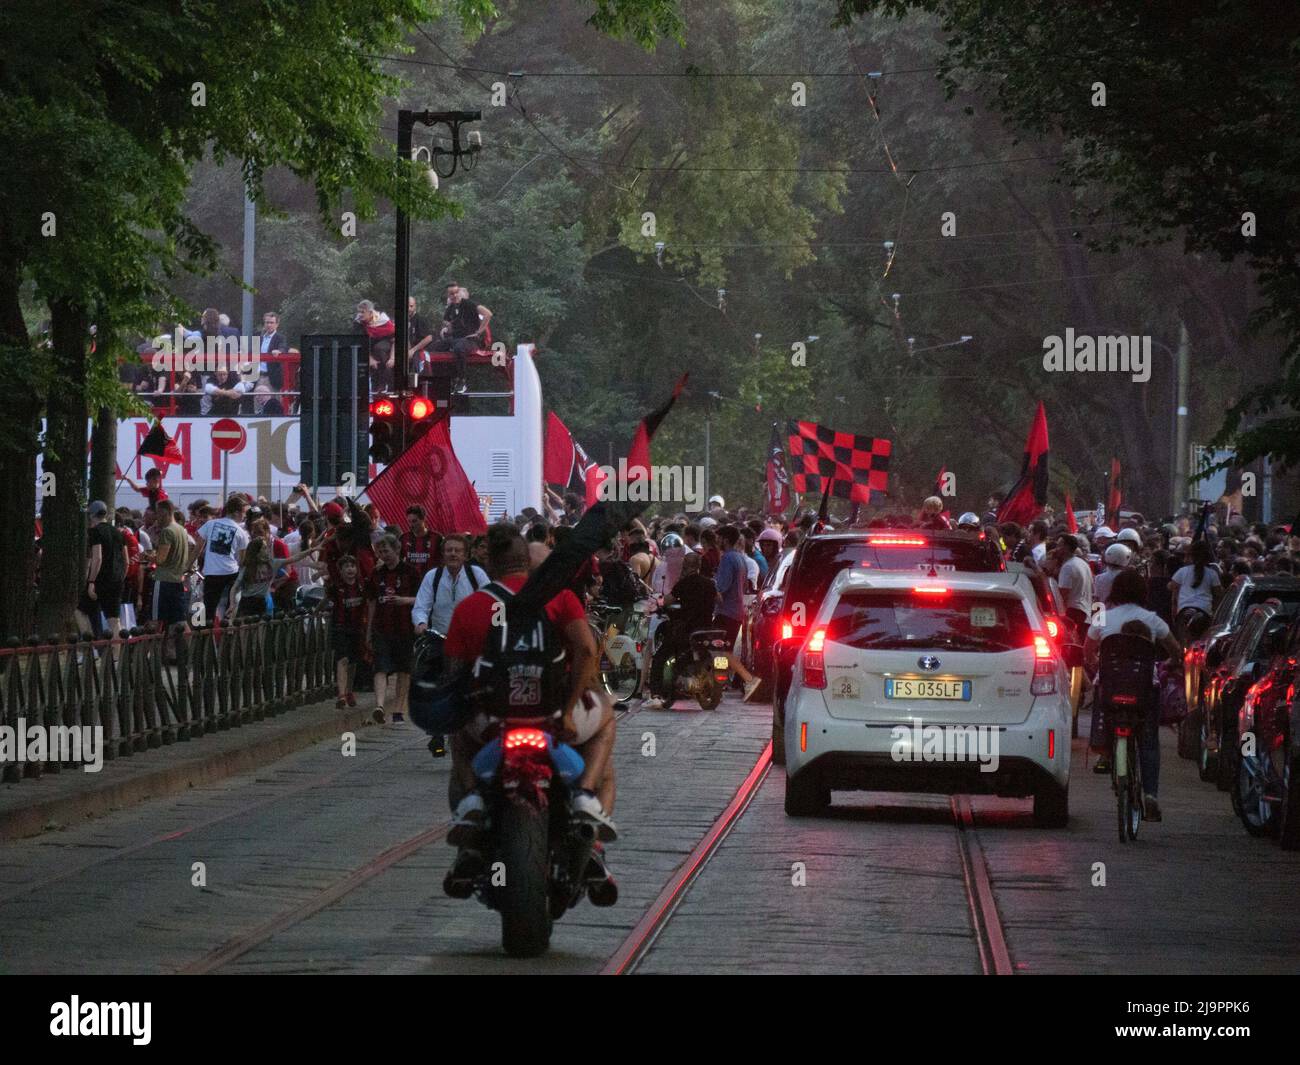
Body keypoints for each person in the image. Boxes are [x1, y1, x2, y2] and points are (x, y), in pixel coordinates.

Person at [440, 524, 616, 888]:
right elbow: (586, 651)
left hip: (492, 719)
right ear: (528, 562)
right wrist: (568, 709)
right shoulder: (560, 598)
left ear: (491, 564)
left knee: (457, 729)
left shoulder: (470, 606)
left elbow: (454, 674)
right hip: (553, 715)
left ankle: (472, 805)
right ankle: (585, 803)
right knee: (607, 721)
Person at [1084, 568, 1181, 821]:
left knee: (1105, 712)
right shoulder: (1152, 619)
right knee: (1149, 742)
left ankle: (1104, 752)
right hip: (1144, 690)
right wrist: (1170, 663)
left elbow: (1087, 652)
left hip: (1109, 687)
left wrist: (1098, 666)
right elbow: (1176, 651)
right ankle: (1150, 795)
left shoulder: (1102, 618)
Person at [644, 551, 717, 708]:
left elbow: (667, 600)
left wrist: (659, 603)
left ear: (685, 566)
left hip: (686, 628)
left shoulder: (684, 583)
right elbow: (719, 598)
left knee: (660, 656)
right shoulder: (709, 583)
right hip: (706, 628)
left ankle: (656, 693)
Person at [365, 535, 420, 724]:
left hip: (405, 628)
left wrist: (404, 601)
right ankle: (379, 705)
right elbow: (371, 602)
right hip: (382, 627)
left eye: (386, 551)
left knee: (404, 670)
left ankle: (398, 710)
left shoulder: (411, 572)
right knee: (380, 667)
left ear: (397, 550)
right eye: (380, 552)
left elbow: (422, 599)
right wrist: (369, 630)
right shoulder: (376, 573)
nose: (383, 555)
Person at [713, 526, 762, 700]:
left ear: (725, 540)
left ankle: (749, 679)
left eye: (719, 538)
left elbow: (721, 587)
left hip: (726, 610)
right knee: (722, 649)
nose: (716, 541)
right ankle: (719, 683)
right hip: (737, 611)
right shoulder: (740, 558)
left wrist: (710, 589)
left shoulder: (727, 558)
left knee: (721, 649)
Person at [194, 495, 250, 622]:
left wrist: (188, 565)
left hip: (212, 573)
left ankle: (205, 635)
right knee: (231, 607)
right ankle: (228, 632)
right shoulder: (241, 532)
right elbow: (242, 560)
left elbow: (197, 548)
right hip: (231, 573)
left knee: (208, 608)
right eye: (243, 513)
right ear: (236, 512)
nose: (244, 516)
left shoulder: (210, 524)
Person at [431, 285, 492, 394]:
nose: (454, 299)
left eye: (457, 296)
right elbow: (451, 326)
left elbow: (486, 318)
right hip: (457, 339)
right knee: (435, 347)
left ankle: (462, 380)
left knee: (459, 346)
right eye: (451, 297)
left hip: (471, 341)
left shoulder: (472, 308)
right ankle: (439, 382)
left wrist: (478, 333)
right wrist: (446, 329)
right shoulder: (453, 310)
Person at [82, 500, 128, 640]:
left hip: (100, 580)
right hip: (117, 580)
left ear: (91, 515)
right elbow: (126, 561)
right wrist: (121, 577)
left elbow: (97, 558)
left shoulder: (95, 532)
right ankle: (117, 657)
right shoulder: (119, 533)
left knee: (79, 610)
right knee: (114, 621)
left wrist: (91, 581)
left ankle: (90, 648)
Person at [148, 500, 190, 651]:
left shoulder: (167, 531)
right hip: (177, 579)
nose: (156, 517)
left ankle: (151, 653)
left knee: (156, 619)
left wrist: (149, 556)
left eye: (158, 514)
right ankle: (190, 650)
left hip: (163, 580)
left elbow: (161, 559)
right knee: (179, 620)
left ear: (165, 512)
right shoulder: (182, 530)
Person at [330, 556, 366, 709]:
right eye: (346, 566)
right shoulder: (336, 587)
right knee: (342, 659)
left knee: (353, 661)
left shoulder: (362, 586)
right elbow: (327, 601)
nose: (350, 569)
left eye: (353, 566)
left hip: (357, 628)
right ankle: (341, 694)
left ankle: (349, 690)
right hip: (340, 627)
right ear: (341, 570)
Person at [1169, 540, 1223, 636]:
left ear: (1191, 556)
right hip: (1205, 612)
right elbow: (1218, 595)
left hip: (1184, 611)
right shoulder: (1212, 574)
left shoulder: (1182, 571)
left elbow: (1170, 587)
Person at [1053, 533, 1094, 638]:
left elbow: (1063, 594)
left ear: (1066, 548)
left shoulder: (1068, 567)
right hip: (1085, 611)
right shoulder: (1083, 563)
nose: (1056, 549)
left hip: (1074, 612)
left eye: (1059, 545)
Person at [230, 529, 274, 618]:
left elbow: (293, 559)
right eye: (264, 548)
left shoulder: (269, 564)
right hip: (247, 602)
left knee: (260, 627)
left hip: (261, 601)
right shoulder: (247, 567)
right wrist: (232, 604)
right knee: (245, 627)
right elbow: (234, 587)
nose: (267, 550)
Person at [356, 300, 396, 393]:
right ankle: (374, 388)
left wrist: (392, 358)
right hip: (369, 351)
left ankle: (389, 384)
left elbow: (395, 340)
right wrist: (370, 359)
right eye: (359, 312)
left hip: (387, 348)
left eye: (362, 312)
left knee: (380, 349)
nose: (360, 314)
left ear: (370, 313)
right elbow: (360, 342)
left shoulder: (384, 322)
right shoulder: (359, 323)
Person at [400, 505, 441, 577]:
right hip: (411, 581)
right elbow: (398, 560)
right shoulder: (404, 538)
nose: (411, 525)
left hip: (431, 580)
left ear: (423, 519)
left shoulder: (436, 538)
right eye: (409, 521)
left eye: (414, 521)